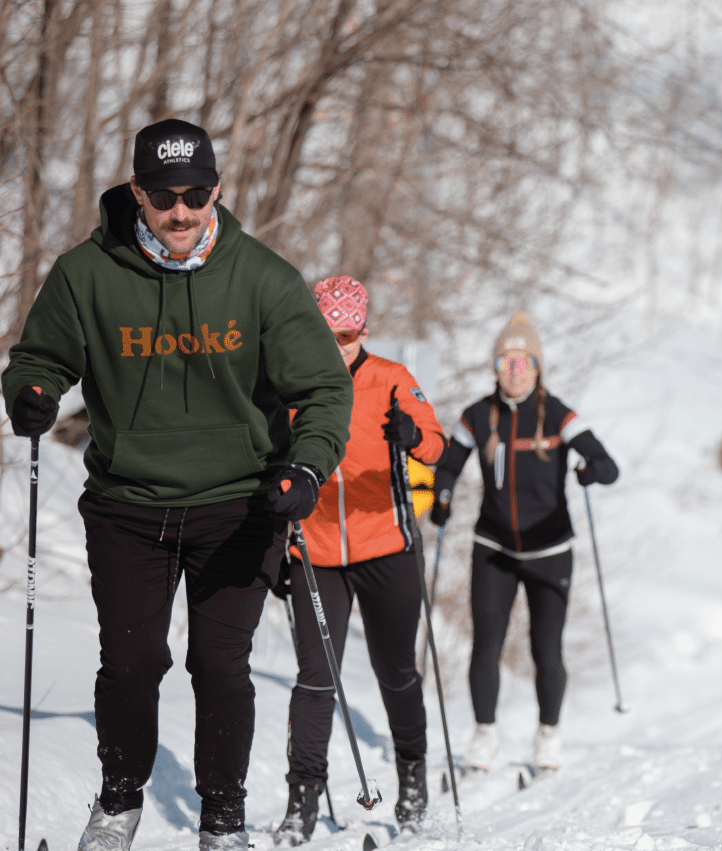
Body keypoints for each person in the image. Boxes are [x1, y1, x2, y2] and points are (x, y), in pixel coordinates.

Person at [1, 118, 353, 851]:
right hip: (127, 505)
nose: (182, 210)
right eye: (164, 195)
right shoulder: (86, 273)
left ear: (217, 189)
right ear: (137, 193)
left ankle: (223, 819)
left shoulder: (262, 277)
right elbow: (40, 358)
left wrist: (307, 465)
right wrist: (30, 390)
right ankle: (119, 800)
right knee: (130, 662)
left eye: (196, 192)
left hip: (239, 503)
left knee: (220, 665)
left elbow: (323, 388)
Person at [273, 277, 445, 845]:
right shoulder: (289, 382)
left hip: (387, 549)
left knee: (395, 672)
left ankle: (413, 780)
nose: (337, 344)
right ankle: (302, 800)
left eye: (346, 335)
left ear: (362, 331)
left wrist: (411, 433)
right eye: (327, 334)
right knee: (316, 680)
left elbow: (438, 447)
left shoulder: (391, 378)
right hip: (315, 552)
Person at [429, 312, 619, 774]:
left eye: (524, 360)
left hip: (549, 550)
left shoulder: (558, 415)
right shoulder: (476, 415)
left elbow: (607, 464)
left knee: (545, 649)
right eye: (506, 360)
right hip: (493, 547)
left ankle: (548, 735)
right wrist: (443, 495)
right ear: (495, 366)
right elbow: (448, 464)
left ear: (537, 367)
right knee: (486, 645)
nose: (515, 370)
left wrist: (590, 469)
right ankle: (485, 736)